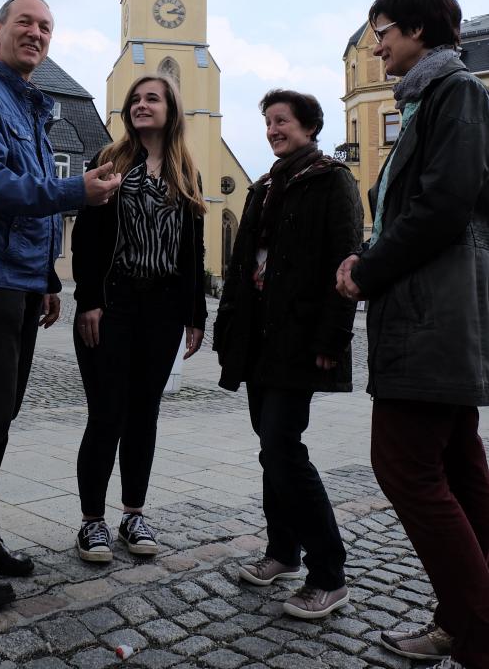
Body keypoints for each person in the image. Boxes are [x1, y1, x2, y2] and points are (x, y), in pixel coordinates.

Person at [0, 0, 121, 611]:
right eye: (25, 23)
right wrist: (75, 189)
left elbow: (33, 213)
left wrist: (47, 277)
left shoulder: (34, 107)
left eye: (45, 26)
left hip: (18, 280)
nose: (36, 34)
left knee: (1, 417)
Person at [337, 0, 489, 669]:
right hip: (431, 315)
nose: (376, 45)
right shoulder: (431, 99)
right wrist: (371, 254)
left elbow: (442, 208)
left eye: (384, 30)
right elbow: (415, 213)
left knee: (403, 468)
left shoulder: (454, 94)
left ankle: (478, 629)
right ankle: (462, 621)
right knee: (460, 475)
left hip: (432, 320)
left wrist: (367, 270)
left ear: (419, 31)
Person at [213, 89, 363, 619]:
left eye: (283, 121)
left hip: (300, 339)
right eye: (269, 122)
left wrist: (332, 338)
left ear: (309, 126)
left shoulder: (331, 179)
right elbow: (240, 264)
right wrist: (227, 325)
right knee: (270, 446)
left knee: (282, 446)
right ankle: (283, 552)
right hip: (259, 339)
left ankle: (329, 572)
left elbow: (346, 261)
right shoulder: (266, 185)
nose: (274, 129)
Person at [71, 74, 207, 561]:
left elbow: (194, 249)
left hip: (164, 308)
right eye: (136, 99)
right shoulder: (109, 162)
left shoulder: (186, 171)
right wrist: (88, 299)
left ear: (172, 109)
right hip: (114, 303)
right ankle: (92, 522)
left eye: (153, 98)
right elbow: (86, 238)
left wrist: (196, 314)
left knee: (144, 416)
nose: (141, 105)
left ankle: (133, 514)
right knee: (106, 413)